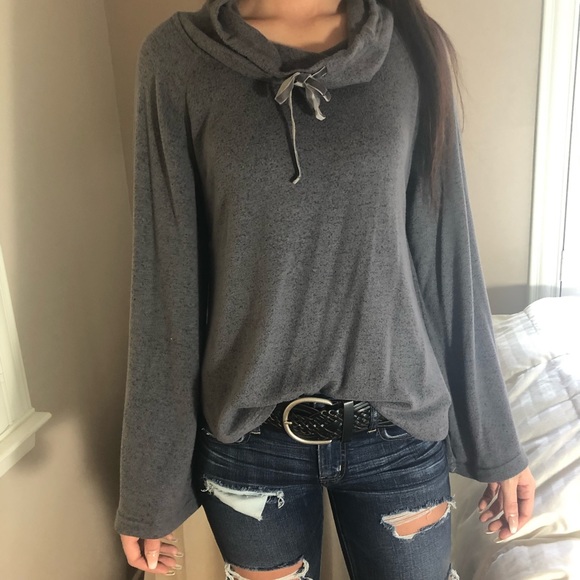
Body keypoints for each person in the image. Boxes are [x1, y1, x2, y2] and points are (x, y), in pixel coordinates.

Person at [115, 0, 536, 578]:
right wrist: (149, 487)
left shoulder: (409, 48)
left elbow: (448, 256)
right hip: (251, 445)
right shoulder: (178, 59)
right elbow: (166, 283)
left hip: (397, 434)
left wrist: (496, 445)